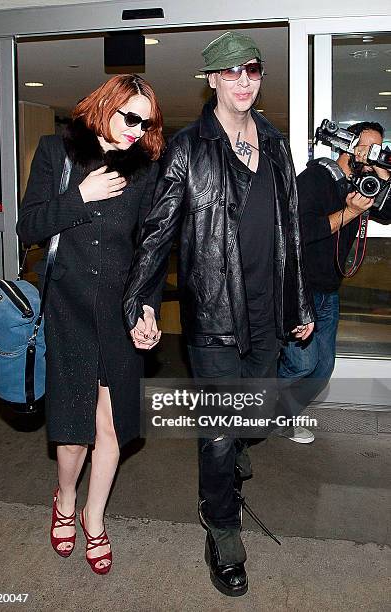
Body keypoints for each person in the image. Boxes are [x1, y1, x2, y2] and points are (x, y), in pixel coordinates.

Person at [123, 31, 315, 597]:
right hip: (213, 316)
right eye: (231, 72)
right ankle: (222, 528)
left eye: (251, 70)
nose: (243, 81)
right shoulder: (189, 147)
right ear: (212, 80)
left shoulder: (276, 145)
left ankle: (232, 456)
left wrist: (298, 303)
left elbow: (292, 237)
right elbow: (157, 232)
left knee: (250, 419)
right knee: (219, 429)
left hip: (266, 314)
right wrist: (142, 300)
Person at [16, 74, 164, 574]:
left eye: (146, 122)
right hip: (67, 309)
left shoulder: (143, 172)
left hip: (118, 313)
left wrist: (147, 309)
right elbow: (29, 226)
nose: (137, 131)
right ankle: (64, 499)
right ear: (105, 107)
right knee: (75, 430)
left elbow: (150, 251)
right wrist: (81, 194)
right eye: (130, 118)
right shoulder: (55, 152)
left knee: (114, 425)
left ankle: (93, 518)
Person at [278, 121, 391, 444]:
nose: (372, 155)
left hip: (329, 289)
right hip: (300, 287)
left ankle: (283, 416)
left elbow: (389, 211)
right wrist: (350, 212)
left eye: (377, 150)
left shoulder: (362, 182)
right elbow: (299, 233)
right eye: (367, 148)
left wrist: (382, 176)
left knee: (322, 368)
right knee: (301, 363)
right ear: (347, 146)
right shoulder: (315, 179)